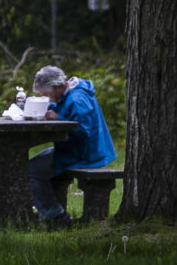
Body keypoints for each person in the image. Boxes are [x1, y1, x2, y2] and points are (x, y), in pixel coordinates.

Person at [27, 65, 117, 229]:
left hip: (86, 153)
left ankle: (55, 217)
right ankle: (51, 213)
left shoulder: (78, 99)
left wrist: (58, 118)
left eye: (46, 94)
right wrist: (51, 109)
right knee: (32, 165)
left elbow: (84, 132)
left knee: (30, 171)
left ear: (57, 86)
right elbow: (65, 108)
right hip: (75, 149)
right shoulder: (69, 93)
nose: (46, 97)